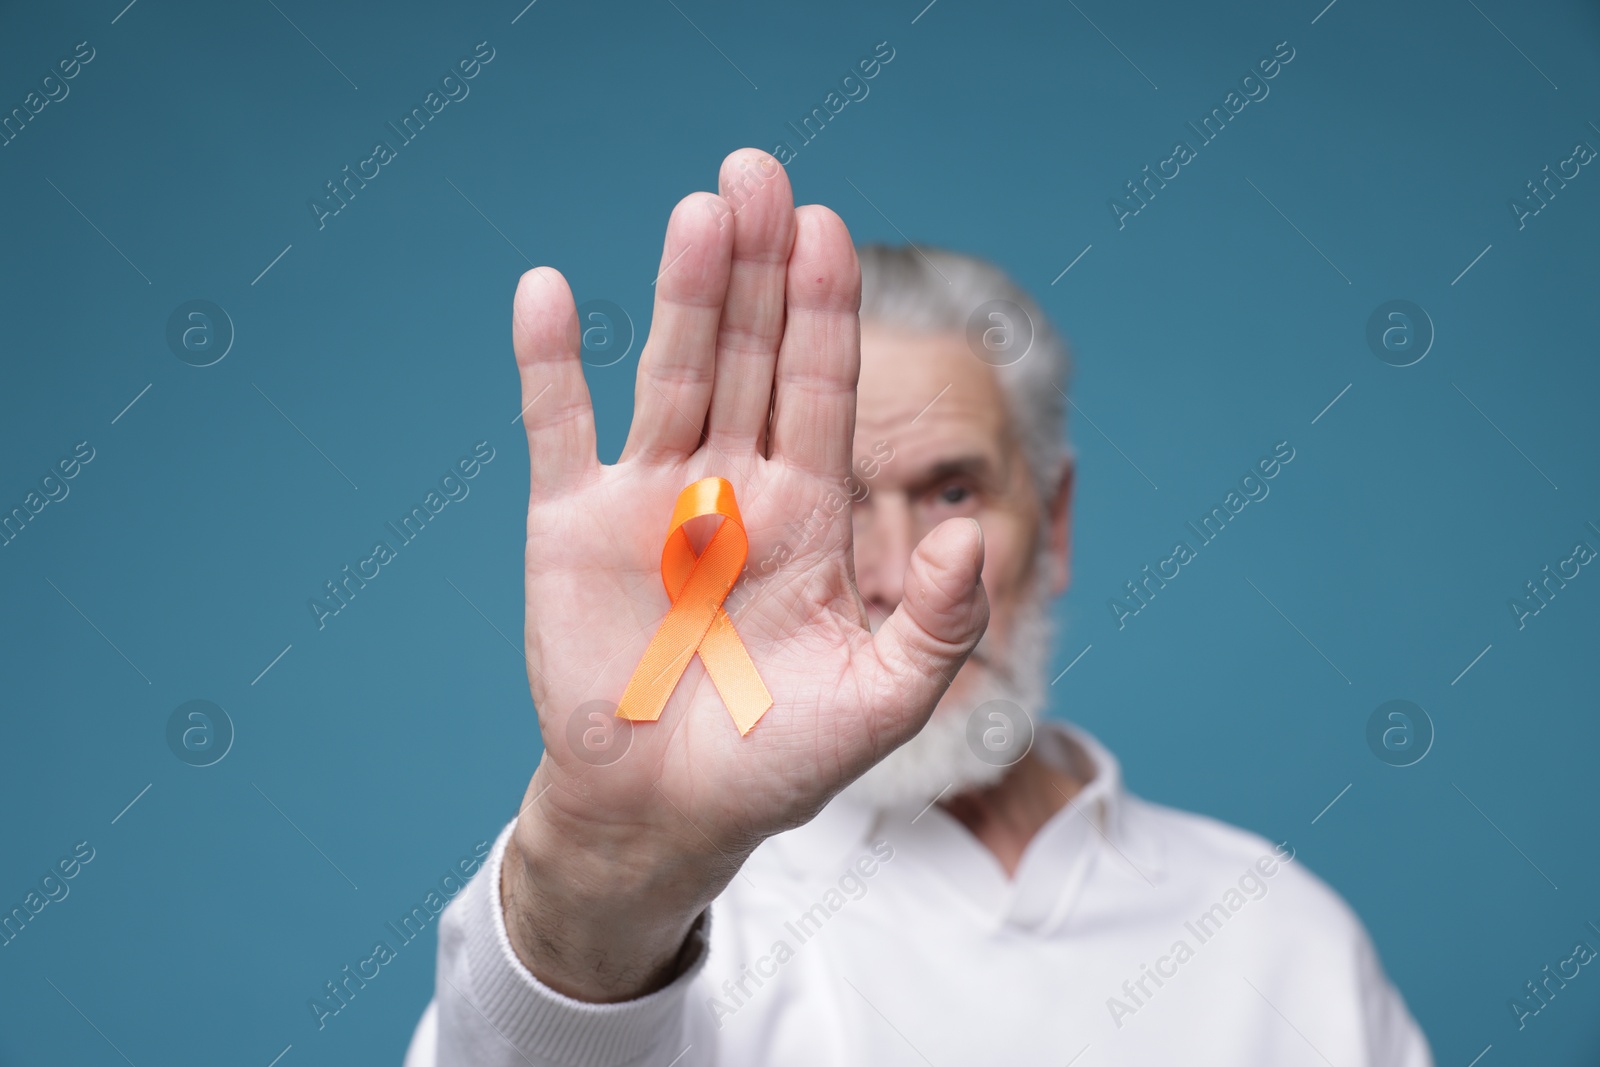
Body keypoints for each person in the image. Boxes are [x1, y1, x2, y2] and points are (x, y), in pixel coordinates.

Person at [404, 149, 1432, 1066]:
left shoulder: (1280, 937)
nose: (898, 571)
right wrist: (602, 879)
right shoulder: (657, 935)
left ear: (1056, 523)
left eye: (952, 492)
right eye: (841, 506)